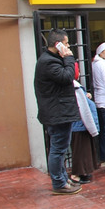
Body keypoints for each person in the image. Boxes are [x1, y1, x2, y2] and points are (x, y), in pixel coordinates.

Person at [33, 29, 82, 195]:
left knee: (60, 148)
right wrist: (69, 58)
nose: (68, 47)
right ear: (58, 44)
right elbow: (67, 77)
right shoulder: (48, 62)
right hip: (57, 112)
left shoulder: (51, 59)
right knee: (58, 149)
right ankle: (59, 182)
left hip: (59, 111)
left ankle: (62, 178)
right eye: (66, 43)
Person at [70, 63, 99, 184]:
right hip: (80, 125)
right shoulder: (76, 88)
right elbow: (84, 109)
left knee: (83, 150)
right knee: (81, 151)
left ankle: (84, 172)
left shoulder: (75, 87)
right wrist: (93, 128)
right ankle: (78, 174)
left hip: (79, 125)